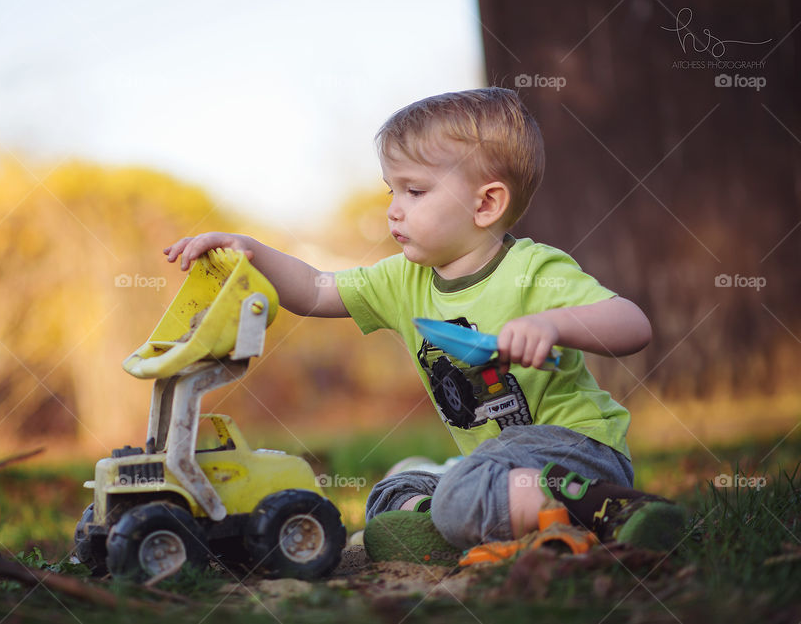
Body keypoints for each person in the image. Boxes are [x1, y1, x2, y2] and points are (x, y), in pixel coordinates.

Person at [163, 88, 683, 564]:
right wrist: (250, 252)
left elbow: (631, 325)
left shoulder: (535, 271)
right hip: (493, 466)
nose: (393, 210)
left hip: (577, 451)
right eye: (391, 190)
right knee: (392, 485)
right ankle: (454, 519)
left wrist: (553, 323)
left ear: (485, 204)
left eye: (413, 191)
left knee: (458, 492)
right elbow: (315, 289)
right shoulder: (401, 279)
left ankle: (610, 510)